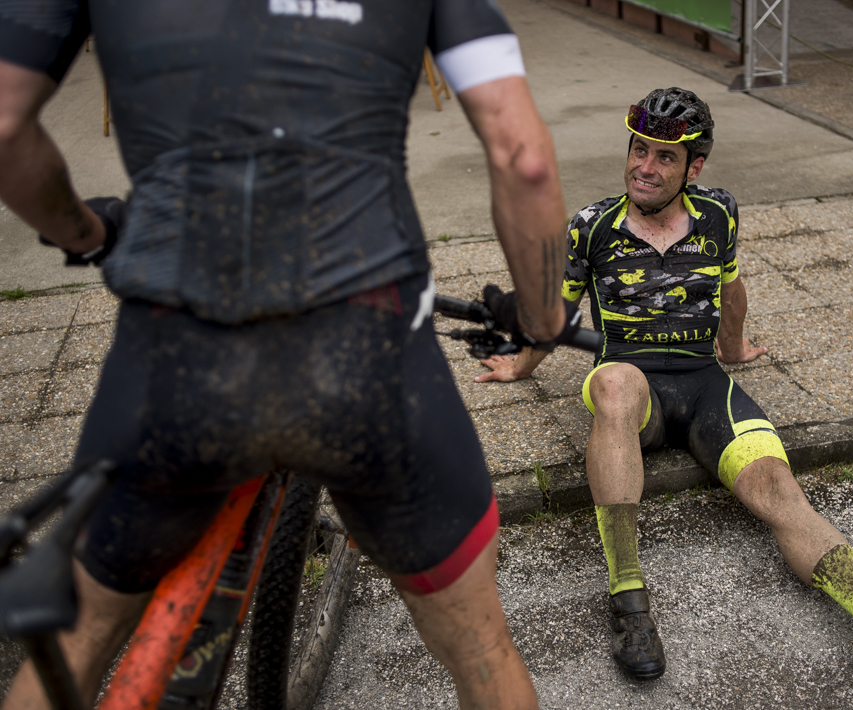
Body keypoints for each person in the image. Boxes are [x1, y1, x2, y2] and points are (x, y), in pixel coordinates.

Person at [0, 1, 573, 708]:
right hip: (370, 354)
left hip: (176, 357)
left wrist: (90, 236)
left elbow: (6, 125)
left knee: (71, 638)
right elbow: (525, 159)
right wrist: (541, 321)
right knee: (481, 647)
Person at [475, 87, 853, 680]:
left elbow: (731, 289)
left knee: (776, 487)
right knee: (614, 388)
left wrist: (734, 349)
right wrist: (520, 365)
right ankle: (629, 603)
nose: (644, 166)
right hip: (631, 381)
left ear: (694, 168)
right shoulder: (591, 226)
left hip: (704, 383)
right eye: (639, 150)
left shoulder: (719, 214)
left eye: (665, 156)